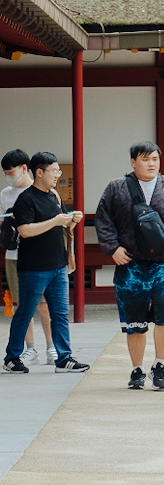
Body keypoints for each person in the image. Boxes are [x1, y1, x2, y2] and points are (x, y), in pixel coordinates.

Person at [94, 142, 164, 390]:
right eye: (145, 159)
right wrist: (112, 248)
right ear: (133, 162)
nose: (151, 164)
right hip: (130, 263)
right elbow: (103, 220)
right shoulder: (116, 188)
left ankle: (159, 365)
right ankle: (137, 369)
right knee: (134, 321)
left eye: (155, 159)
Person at [3, 152, 88, 374]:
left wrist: (71, 222)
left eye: (58, 171)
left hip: (58, 266)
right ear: (39, 172)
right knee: (26, 312)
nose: (57, 176)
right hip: (33, 268)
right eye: (54, 171)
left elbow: (61, 227)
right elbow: (25, 231)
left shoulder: (54, 195)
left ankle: (64, 358)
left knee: (59, 313)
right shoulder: (26, 199)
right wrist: (56, 221)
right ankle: (12, 357)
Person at [2, 149, 57, 366]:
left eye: (11, 171)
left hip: (39, 255)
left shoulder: (43, 191)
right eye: (5, 173)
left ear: (26, 168)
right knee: (20, 304)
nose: (8, 176)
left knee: (44, 304)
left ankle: (52, 347)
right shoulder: (5, 194)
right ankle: (30, 348)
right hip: (14, 255)